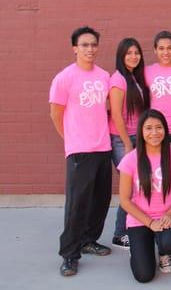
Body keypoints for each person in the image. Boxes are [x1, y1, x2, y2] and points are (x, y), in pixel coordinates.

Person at [49, 26, 112, 276]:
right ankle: (69, 254)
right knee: (77, 204)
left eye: (93, 44)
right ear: (75, 48)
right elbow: (55, 113)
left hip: (103, 146)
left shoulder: (104, 76)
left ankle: (88, 240)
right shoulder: (65, 77)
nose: (90, 49)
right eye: (84, 45)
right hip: (80, 150)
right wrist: (71, 140)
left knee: (100, 199)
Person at [118, 109, 171, 283]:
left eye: (159, 127)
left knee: (169, 244)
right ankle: (138, 247)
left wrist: (170, 213)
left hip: (166, 216)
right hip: (140, 219)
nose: (154, 133)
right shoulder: (130, 159)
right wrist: (149, 223)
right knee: (144, 276)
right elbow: (124, 200)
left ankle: (164, 254)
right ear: (141, 132)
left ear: (165, 130)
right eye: (148, 128)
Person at [109, 37, 150, 249]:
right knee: (130, 187)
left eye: (137, 52)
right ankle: (119, 233)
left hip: (137, 138)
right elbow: (116, 114)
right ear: (121, 56)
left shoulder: (135, 78)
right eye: (129, 53)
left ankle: (133, 227)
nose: (133, 57)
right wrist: (126, 143)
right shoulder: (118, 79)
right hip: (122, 139)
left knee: (138, 185)